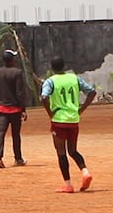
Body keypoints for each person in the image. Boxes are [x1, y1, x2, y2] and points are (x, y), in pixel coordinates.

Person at [40, 57, 97, 194]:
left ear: (52, 68)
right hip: (73, 119)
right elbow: (92, 92)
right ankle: (85, 171)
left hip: (59, 120)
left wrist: (50, 113)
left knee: (61, 152)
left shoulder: (50, 81)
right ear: (64, 66)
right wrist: (81, 109)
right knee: (73, 150)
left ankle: (68, 185)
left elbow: (44, 97)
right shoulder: (74, 78)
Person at [0, 49, 28, 168]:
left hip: (1, 108)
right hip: (15, 109)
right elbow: (19, 93)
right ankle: (18, 158)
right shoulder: (17, 72)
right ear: (12, 60)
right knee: (16, 134)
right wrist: (23, 109)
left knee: (0, 132)